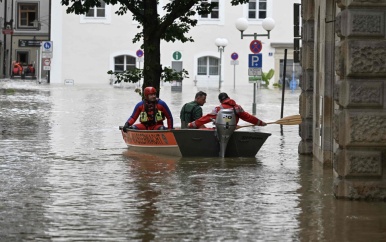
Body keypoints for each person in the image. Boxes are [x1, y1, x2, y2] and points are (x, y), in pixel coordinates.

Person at [188, 92, 267, 129]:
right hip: (232, 130)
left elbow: (206, 118)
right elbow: (249, 117)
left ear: (220, 101)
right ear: (228, 97)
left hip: (221, 131)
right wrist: (261, 123)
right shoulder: (238, 108)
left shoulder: (218, 109)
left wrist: (191, 124)